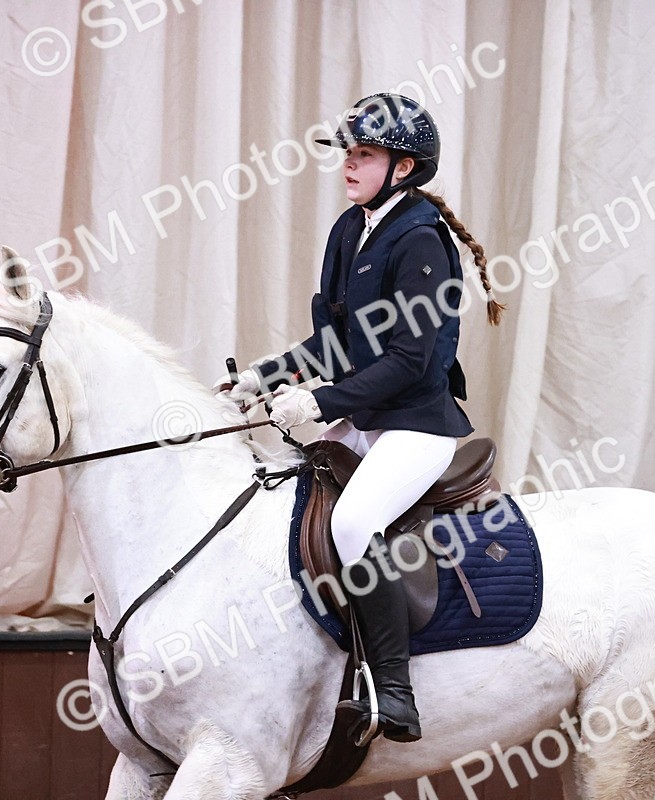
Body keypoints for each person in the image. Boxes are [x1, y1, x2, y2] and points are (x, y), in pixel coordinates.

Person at [214, 93, 504, 743]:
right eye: (347, 153)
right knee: (282, 496)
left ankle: (394, 690)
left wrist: (322, 402)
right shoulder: (352, 229)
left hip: (417, 424)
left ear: (401, 168)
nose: (348, 165)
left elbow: (408, 360)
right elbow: (338, 341)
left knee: (352, 521)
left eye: (363, 154)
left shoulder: (424, 242)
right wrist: (268, 373)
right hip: (367, 414)